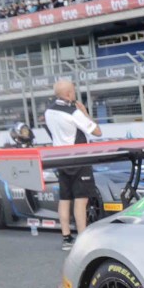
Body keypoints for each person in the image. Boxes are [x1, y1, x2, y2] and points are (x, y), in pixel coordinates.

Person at [42, 78, 101, 250]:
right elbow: (97, 131)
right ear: (68, 94)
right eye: (73, 91)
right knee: (81, 200)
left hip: (60, 158)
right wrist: (85, 113)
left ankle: (66, 238)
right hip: (78, 159)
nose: (75, 94)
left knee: (65, 198)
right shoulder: (73, 112)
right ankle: (82, 239)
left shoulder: (48, 111)